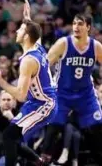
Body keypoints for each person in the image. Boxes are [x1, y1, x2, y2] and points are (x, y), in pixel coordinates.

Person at [0, 19, 57, 166]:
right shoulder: (38, 48)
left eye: (20, 29)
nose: (17, 31)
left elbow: (20, 95)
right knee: (13, 139)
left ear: (26, 36)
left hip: (43, 104)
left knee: (9, 136)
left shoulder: (28, 61)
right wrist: (28, 18)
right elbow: (36, 34)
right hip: (36, 103)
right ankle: (40, 163)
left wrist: (0, 80)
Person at [41, 13, 102, 164]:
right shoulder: (64, 43)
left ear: (88, 27)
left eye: (80, 24)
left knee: (97, 129)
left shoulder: (96, 46)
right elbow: (45, 64)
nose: (76, 27)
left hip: (86, 94)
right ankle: (43, 159)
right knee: (53, 128)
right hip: (62, 93)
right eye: (74, 23)